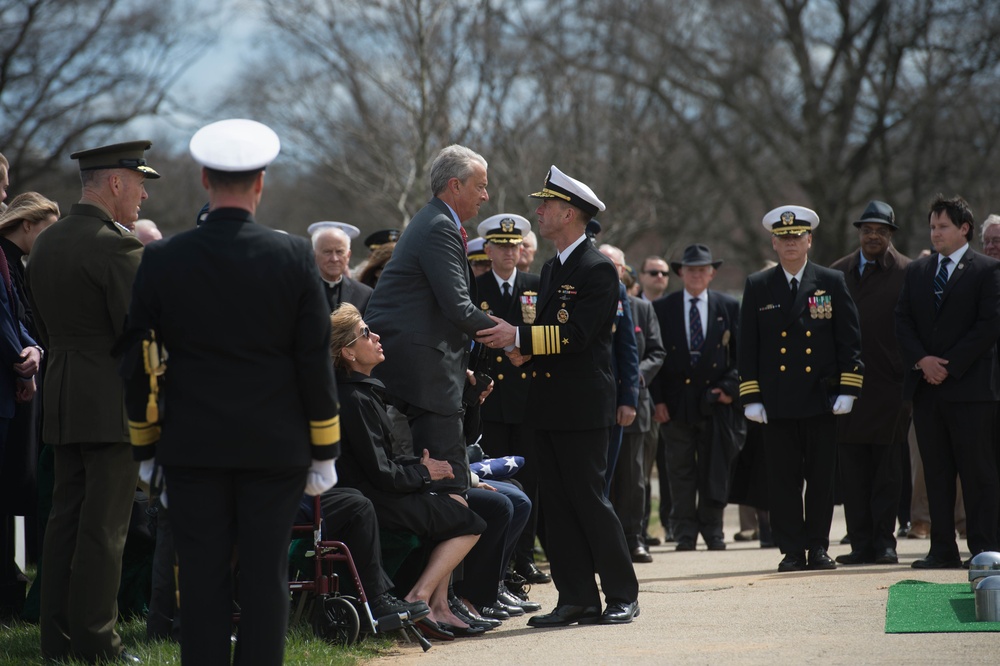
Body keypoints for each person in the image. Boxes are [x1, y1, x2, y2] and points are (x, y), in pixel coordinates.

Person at [120, 119, 340, 664]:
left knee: (200, 581)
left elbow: (140, 362)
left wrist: (146, 448)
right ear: (260, 183)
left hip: (193, 448)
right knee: (267, 579)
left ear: (202, 179)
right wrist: (324, 449)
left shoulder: (163, 259)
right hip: (276, 449)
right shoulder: (293, 258)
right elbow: (314, 361)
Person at [27, 140, 157, 664]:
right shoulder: (118, 247)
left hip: (61, 394)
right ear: (116, 182)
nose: (143, 197)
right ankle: (97, 642)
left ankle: (55, 638)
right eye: (140, 184)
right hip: (108, 400)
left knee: (63, 524)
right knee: (106, 528)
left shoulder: (49, 241)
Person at [493, 165, 639, 627]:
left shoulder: (597, 269)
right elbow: (553, 335)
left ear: (570, 213)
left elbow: (576, 336)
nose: (538, 211)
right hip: (548, 404)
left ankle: (621, 593)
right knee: (556, 506)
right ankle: (576, 597)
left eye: (547, 206)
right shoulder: (554, 266)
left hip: (582, 406)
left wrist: (520, 337)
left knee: (589, 500)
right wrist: (526, 355)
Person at [329, 303, 487, 640]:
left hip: (376, 493)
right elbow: (380, 473)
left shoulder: (358, 392)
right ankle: (419, 597)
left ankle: (440, 604)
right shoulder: (354, 398)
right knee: (471, 522)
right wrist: (425, 474)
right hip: (372, 500)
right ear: (349, 353)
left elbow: (379, 463)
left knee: (457, 507)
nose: (376, 337)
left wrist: (419, 467)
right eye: (365, 334)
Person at [364, 144, 515, 495]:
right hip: (425, 380)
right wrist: (513, 338)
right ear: (455, 185)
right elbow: (459, 308)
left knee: (448, 488)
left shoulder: (435, 221)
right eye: (480, 186)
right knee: (451, 494)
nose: (486, 195)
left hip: (424, 372)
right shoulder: (439, 227)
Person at [739, 205, 863, 573]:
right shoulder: (758, 285)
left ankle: (818, 547)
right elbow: (747, 347)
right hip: (777, 401)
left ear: (809, 240)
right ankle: (791, 549)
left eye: (796, 237)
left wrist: (849, 387)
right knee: (783, 480)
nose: (790, 243)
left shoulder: (830, 281)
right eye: (783, 238)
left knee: (822, 479)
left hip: (821, 398)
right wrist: (751, 395)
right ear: (774, 244)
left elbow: (849, 340)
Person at [895, 195, 1000, 568]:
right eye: (932, 226)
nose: (935, 233)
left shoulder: (986, 270)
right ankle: (941, 548)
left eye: (943, 226)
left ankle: (984, 549)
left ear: (964, 229)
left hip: (971, 391)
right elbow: (902, 321)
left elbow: (988, 325)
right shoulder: (919, 272)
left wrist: (948, 365)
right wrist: (923, 361)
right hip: (928, 392)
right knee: (936, 472)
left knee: (977, 473)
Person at [829, 201, 912, 565]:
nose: (873, 236)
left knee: (888, 471)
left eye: (880, 230)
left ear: (891, 234)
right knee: (853, 471)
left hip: (892, 388)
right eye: (867, 230)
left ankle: (885, 542)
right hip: (847, 387)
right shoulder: (837, 273)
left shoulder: (909, 272)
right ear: (859, 233)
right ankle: (860, 543)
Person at [473, 213, 549, 584]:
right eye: (501, 246)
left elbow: (547, 337)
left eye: (514, 246)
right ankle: (498, 562)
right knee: (497, 479)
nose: (508, 252)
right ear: (488, 249)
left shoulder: (537, 285)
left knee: (529, 479)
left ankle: (525, 557)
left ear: (523, 249)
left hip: (528, 399)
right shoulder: (476, 287)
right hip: (492, 400)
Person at [653, 243, 741, 553]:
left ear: (712, 273)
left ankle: (713, 530)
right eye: (690, 270)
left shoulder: (728, 307)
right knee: (678, 470)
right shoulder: (663, 308)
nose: (696, 275)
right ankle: (684, 532)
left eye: (702, 270)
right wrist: (658, 400)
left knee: (714, 468)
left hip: (714, 401)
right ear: (680, 273)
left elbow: (740, 357)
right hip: (676, 403)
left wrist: (730, 389)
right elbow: (657, 357)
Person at [0, 192, 50, 617]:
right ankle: (9, 588)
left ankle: (13, 582)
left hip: (19, 381)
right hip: (14, 383)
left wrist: (31, 348)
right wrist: (25, 358)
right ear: (29, 225)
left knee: (17, 491)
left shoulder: (16, 264)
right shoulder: (8, 261)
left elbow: (20, 320)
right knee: (12, 492)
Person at [606, 249, 665, 563]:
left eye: (615, 265)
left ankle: (634, 539)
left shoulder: (641, 308)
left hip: (634, 405)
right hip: (600, 405)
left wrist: (634, 377)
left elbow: (656, 351)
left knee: (634, 479)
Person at [310, 222, 373, 312]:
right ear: (314, 255)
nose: (334, 259)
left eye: (339, 252)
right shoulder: (299, 290)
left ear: (348, 255)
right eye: (327, 252)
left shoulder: (364, 294)